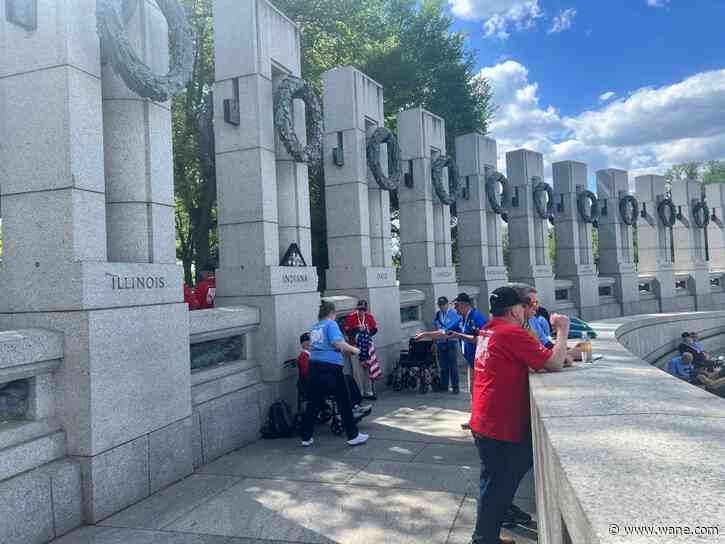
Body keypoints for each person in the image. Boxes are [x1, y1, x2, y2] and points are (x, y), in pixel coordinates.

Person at [470, 285, 570, 544]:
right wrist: (562, 329)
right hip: (502, 424)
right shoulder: (512, 333)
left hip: (484, 419)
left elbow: (525, 360)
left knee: (492, 481)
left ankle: (494, 524)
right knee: (498, 483)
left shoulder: (488, 330)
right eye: (524, 306)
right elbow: (554, 363)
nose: (526, 311)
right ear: (515, 310)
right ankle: (483, 539)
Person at [300, 301, 369, 447]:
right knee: (344, 401)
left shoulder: (315, 327)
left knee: (314, 402)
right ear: (332, 312)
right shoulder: (331, 324)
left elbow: (313, 347)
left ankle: (306, 437)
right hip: (331, 368)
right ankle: (353, 435)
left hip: (314, 366)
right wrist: (354, 350)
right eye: (335, 313)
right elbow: (337, 343)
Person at [298, 332, 370, 417]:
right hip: (314, 384)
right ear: (305, 343)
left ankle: (355, 406)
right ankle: (350, 408)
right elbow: (308, 372)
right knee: (343, 381)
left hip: (323, 380)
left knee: (347, 378)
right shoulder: (304, 356)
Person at [418, 296, 462, 393]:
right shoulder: (438, 315)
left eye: (443, 304)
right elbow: (436, 329)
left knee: (453, 365)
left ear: (447, 304)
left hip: (451, 342)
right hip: (441, 342)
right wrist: (434, 343)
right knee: (443, 365)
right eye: (440, 305)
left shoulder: (453, 314)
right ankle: (444, 385)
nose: (442, 306)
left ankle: (455, 386)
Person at [343, 300, 379, 400]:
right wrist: (357, 330)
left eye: (363, 309)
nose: (361, 311)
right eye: (359, 309)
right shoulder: (351, 317)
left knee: (368, 369)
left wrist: (367, 333)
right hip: (354, 347)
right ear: (357, 308)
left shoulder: (369, 317)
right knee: (357, 372)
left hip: (367, 347)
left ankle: (368, 392)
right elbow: (346, 331)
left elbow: (375, 329)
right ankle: (360, 393)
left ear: (366, 310)